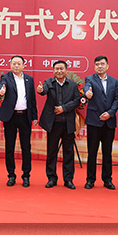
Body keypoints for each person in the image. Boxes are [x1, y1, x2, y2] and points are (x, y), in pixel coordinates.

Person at [37, 60, 82, 189]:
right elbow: (44, 90)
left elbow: (77, 100)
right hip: (53, 124)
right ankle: (51, 178)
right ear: (53, 71)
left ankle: (68, 179)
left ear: (66, 70)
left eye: (61, 68)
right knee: (51, 152)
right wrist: (40, 90)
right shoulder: (48, 82)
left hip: (68, 124)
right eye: (56, 69)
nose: (59, 71)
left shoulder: (73, 85)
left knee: (68, 152)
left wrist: (64, 108)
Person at [0, 55, 38, 187]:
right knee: (10, 147)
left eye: (18, 63)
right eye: (14, 63)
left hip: (25, 116)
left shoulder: (29, 79)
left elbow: (32, 99)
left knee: (26, 147)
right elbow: (1, 86)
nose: (16, 66)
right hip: (11, 117)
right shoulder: (6, 77)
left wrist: (34, 116)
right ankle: (11, 175)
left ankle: (26, 175)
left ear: (23, 65)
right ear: (10, 65)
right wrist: (1, 90)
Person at [83, 55, 118, 190]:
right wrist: (87, 93)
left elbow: (117, 99)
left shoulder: (114, 81)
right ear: (94, 66)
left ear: (107, 66)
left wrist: (110, 113)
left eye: (102, 64)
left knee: (107, 152)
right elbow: (87, 88)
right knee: (92, 152)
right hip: (94, 121)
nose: (100, 66)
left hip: (109, 122)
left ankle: (107, 179)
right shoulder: (90, 79)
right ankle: (90, 180)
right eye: (97, 64)